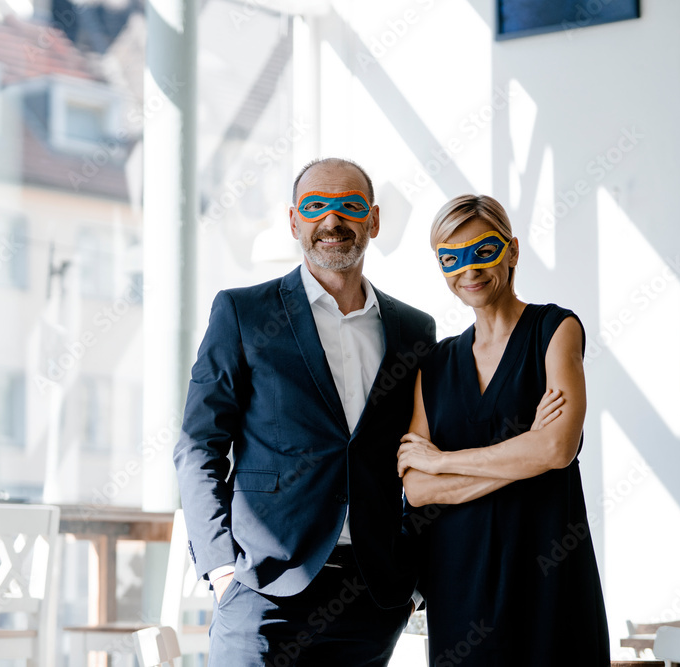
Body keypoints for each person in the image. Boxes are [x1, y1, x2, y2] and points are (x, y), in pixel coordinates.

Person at [174, 157, 436, 666]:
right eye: (315, 207)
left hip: (373, 597)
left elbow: (425, 453)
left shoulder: (414, 330)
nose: (331, 221)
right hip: (262, 591)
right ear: (294, 222)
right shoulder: (243, 313)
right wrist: (222, 569)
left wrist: (415, 577)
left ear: (374, 221)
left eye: (349, 207)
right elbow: (198, 444)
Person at [396, 194, 609, 665]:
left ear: (512, 251)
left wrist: (445, 461)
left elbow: (555, 447)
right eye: (452, 257)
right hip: (460, 583)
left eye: (483, 250)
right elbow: (419, 487)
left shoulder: (555, 329)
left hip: (549, 575)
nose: (468, 269)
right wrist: (525, 455)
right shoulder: (433, 364)